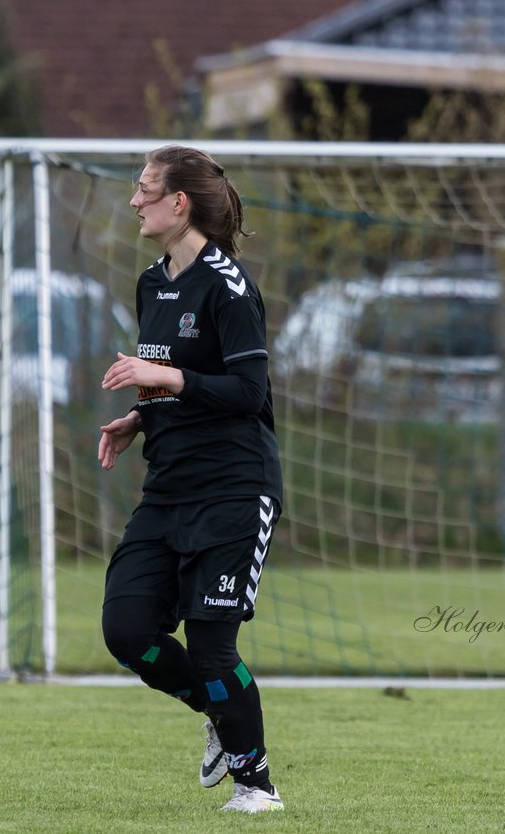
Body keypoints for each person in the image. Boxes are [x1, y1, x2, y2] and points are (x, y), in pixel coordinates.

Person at [98, 145, 285, 814]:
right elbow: (172, 381)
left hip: (235, 489)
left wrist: (167, 378)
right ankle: (216, 710)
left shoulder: (230, 287)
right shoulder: (152, 283)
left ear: (179, 203)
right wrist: (139, 419)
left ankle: (256, 787)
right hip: (169, 488)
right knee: (127, 631)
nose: (133, 201)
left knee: (211, 645)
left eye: (145, 190)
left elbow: (247, 392)